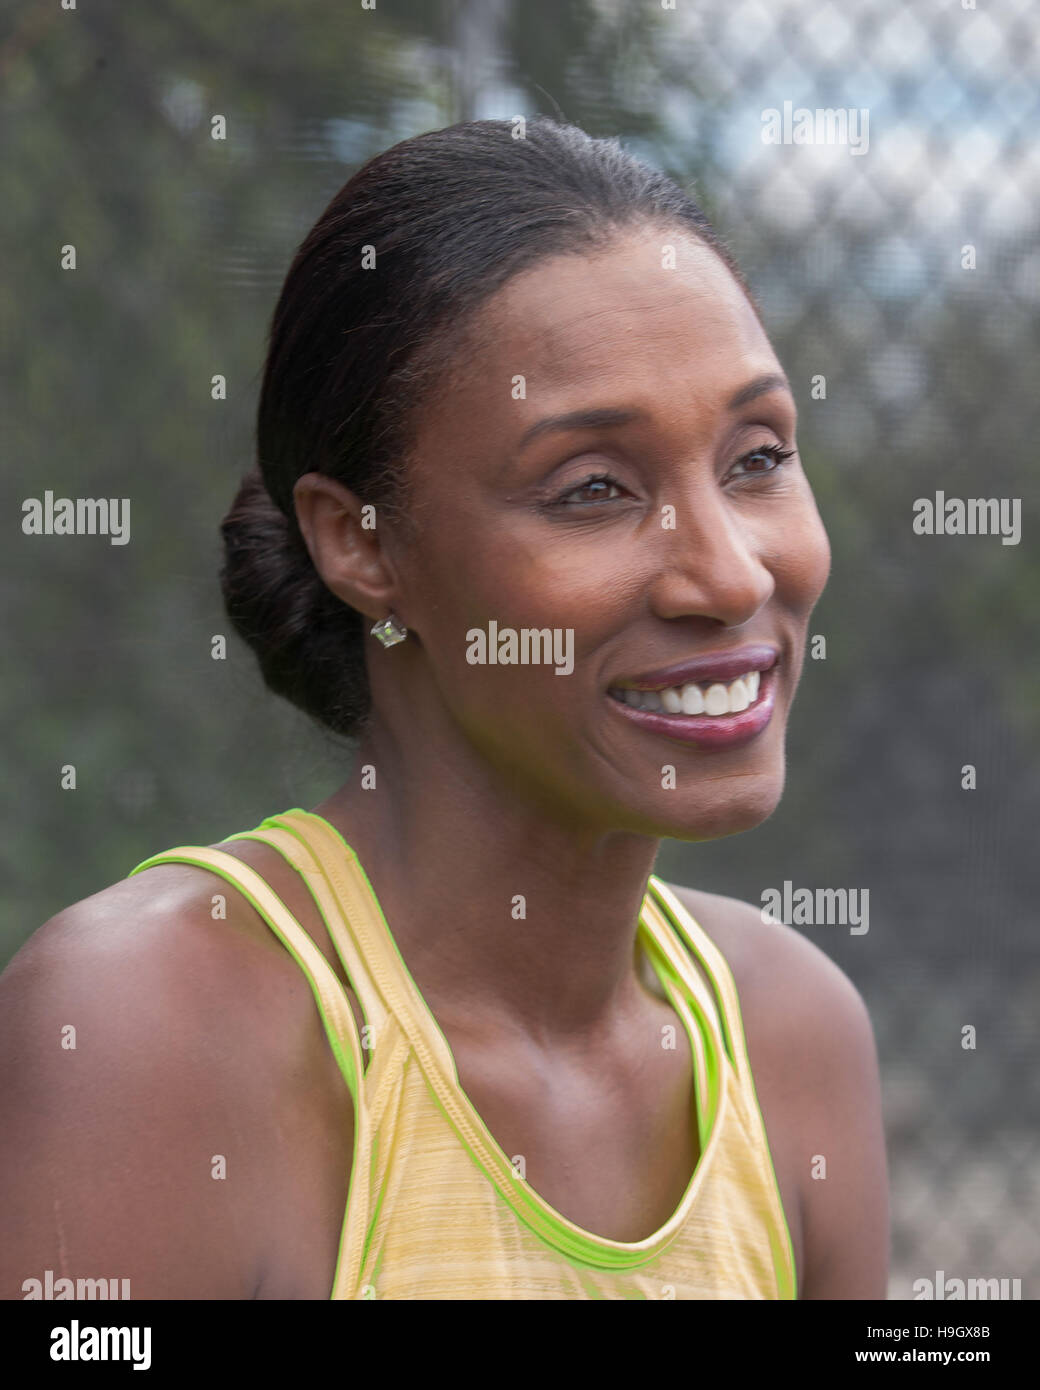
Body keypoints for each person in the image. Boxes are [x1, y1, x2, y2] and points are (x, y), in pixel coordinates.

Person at [0, 117, 887, 1300]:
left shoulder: (789, 1034)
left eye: (756, 458)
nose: (729, 575)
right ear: (360, 544)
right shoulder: (153, 1030)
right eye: (592, 490)